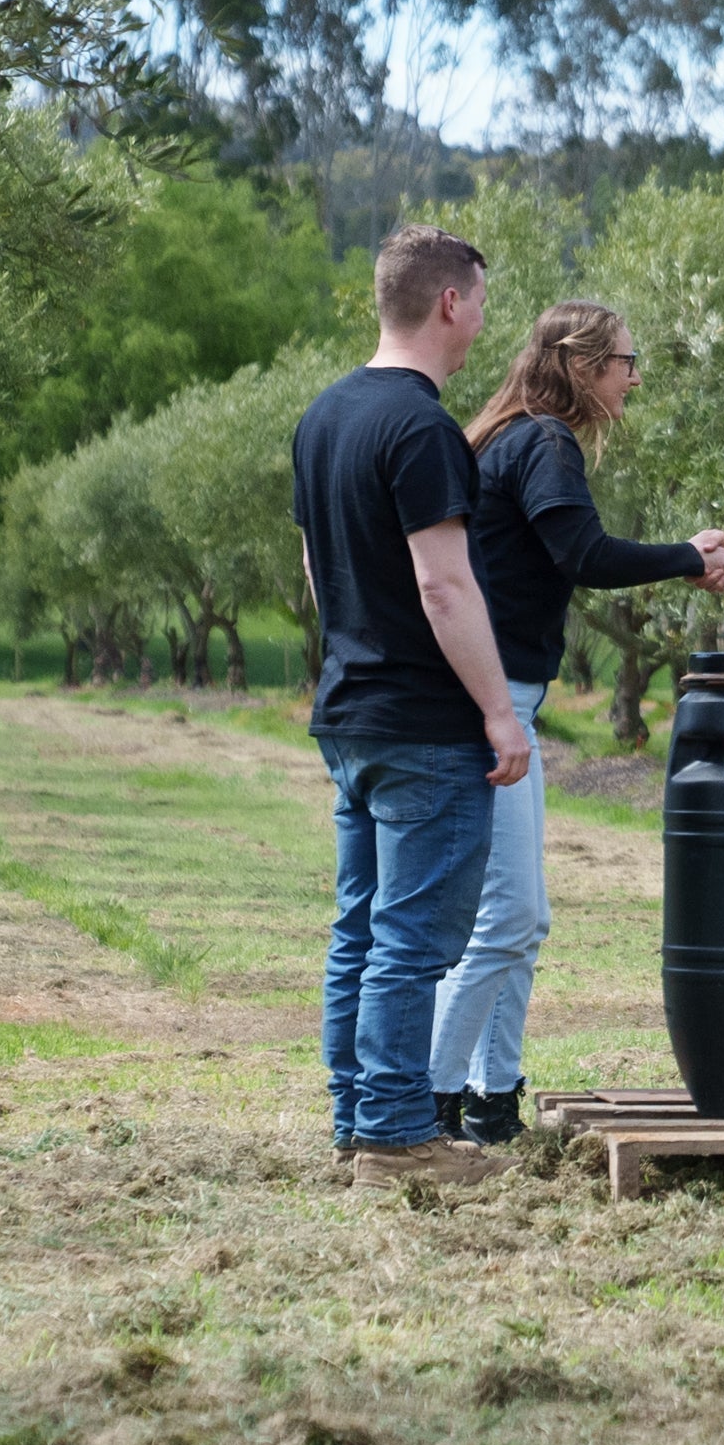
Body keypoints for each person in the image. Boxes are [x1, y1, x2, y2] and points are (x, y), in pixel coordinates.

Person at [431, 301, 724, 1144]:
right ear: (582, 364)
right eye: (626, 363)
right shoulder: (545, 443)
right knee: (509, 918)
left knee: (513, 919)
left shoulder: (508, 436)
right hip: (496, 707)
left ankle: (493, 1097)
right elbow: (585, 554)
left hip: (501, 701)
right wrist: (690, 556)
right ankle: (426, 1105)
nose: (634, 378)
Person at [292, 224, 532, 1191]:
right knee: (410, 937)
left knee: (359, 927)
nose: (482, 321)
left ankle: (356, 1118)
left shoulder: (324, 416)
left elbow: (318, 569)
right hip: (424, 728)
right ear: (447, 302)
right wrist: (498, 714)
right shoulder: (423, 428)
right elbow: (446, 587)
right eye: (478, 301)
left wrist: (356, 647)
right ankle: (396, 1137)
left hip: (349, 713)